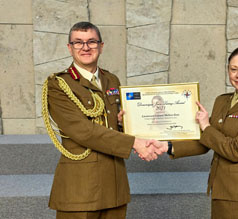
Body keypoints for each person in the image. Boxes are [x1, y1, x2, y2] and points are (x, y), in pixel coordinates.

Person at [42, 21, 164, 219]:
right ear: (69, 48)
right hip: (80, 187)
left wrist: (131, 125)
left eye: (91, 41)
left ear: (101, 46)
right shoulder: (58, 84)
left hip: (114, 183)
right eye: (78, 42)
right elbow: (83, 131)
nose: (86, 47)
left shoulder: (111, 80)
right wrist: (136, 143)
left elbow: (114, 125)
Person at [153, 46, 238, 219]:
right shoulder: (222, 101)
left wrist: (206, 126)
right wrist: (167, 146)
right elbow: (207, 141)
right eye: (233, 69)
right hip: (221, 190)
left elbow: (237, 150)